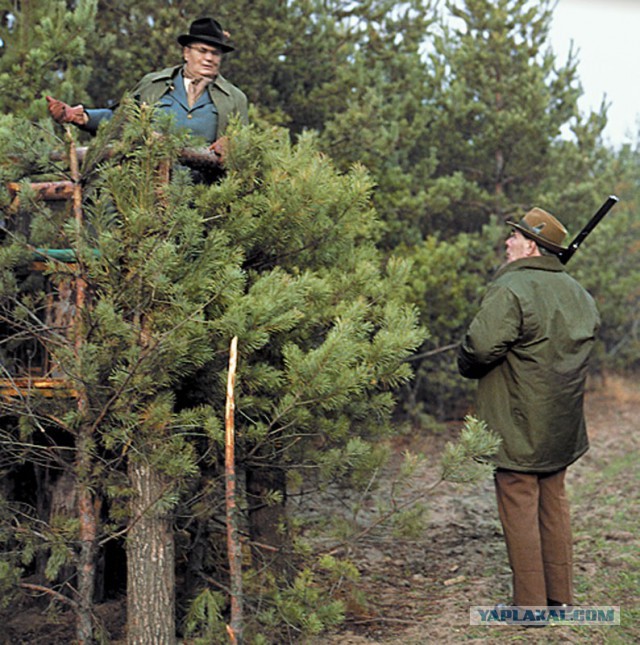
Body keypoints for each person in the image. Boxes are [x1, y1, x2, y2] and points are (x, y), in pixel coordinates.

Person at [457, 207, 600, 615]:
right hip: (561, 423)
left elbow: (481, 347)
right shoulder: (577, 292)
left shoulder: (512, 288)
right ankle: (560, 599)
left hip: (517, 422)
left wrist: (465, 365)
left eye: (515, 237)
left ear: (532, 246)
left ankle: (529, 607)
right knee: (553, 502)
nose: (507, 242)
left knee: (520, 503)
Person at [46, 17, 248, 165]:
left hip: (204, 195)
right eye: (202, 51)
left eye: (215, 53)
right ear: (186, 52)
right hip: (148, 187)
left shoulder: (234, 98)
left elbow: (246, 143)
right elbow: (121, 119)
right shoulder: (154, 84)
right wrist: (81, 117)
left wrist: (233, 144)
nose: (209, 59)